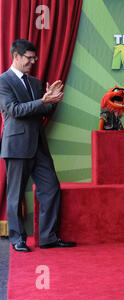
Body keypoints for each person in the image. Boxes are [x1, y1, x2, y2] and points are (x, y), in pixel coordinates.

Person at [0, 39, 76, 251]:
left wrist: (51, 102)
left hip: (39, 146)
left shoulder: (35, 82)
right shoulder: (3, 81)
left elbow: (41, 112)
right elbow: (14, 111)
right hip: (16, 145)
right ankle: (17, 239)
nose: (32, 62)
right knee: (15, 194)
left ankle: (48, 237)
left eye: (34, 58)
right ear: (16, 56)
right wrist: (43, 100)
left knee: (51, 187)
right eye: (29, 58)